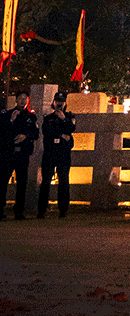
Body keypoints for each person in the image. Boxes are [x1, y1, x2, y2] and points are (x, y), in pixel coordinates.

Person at [0, 92, 40, 220]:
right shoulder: (7, 114)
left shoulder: (31, 117)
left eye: (25, 99)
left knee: (22, 182)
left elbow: (36, 133)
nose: (23, 101)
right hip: (8, 153)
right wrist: (11, 120)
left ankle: (19, 211)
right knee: (3, 181)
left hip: (23, 153)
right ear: (16, 100)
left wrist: (25, 136)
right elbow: (2, 130)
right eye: (20, 98)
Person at [38, 92, 76, 219]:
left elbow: (71, 129)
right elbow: (47, 131)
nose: (59, 104)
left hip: (63, 153)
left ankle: (63, 209)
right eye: (57, 101)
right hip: (50, 152)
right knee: (46, 181)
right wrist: (60, 135)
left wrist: (63, 119)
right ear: (53, 103)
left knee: (64, 180)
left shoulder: (69, 117)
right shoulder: (48, 118)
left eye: (61, 102)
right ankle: (42, 209)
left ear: (65, 103)